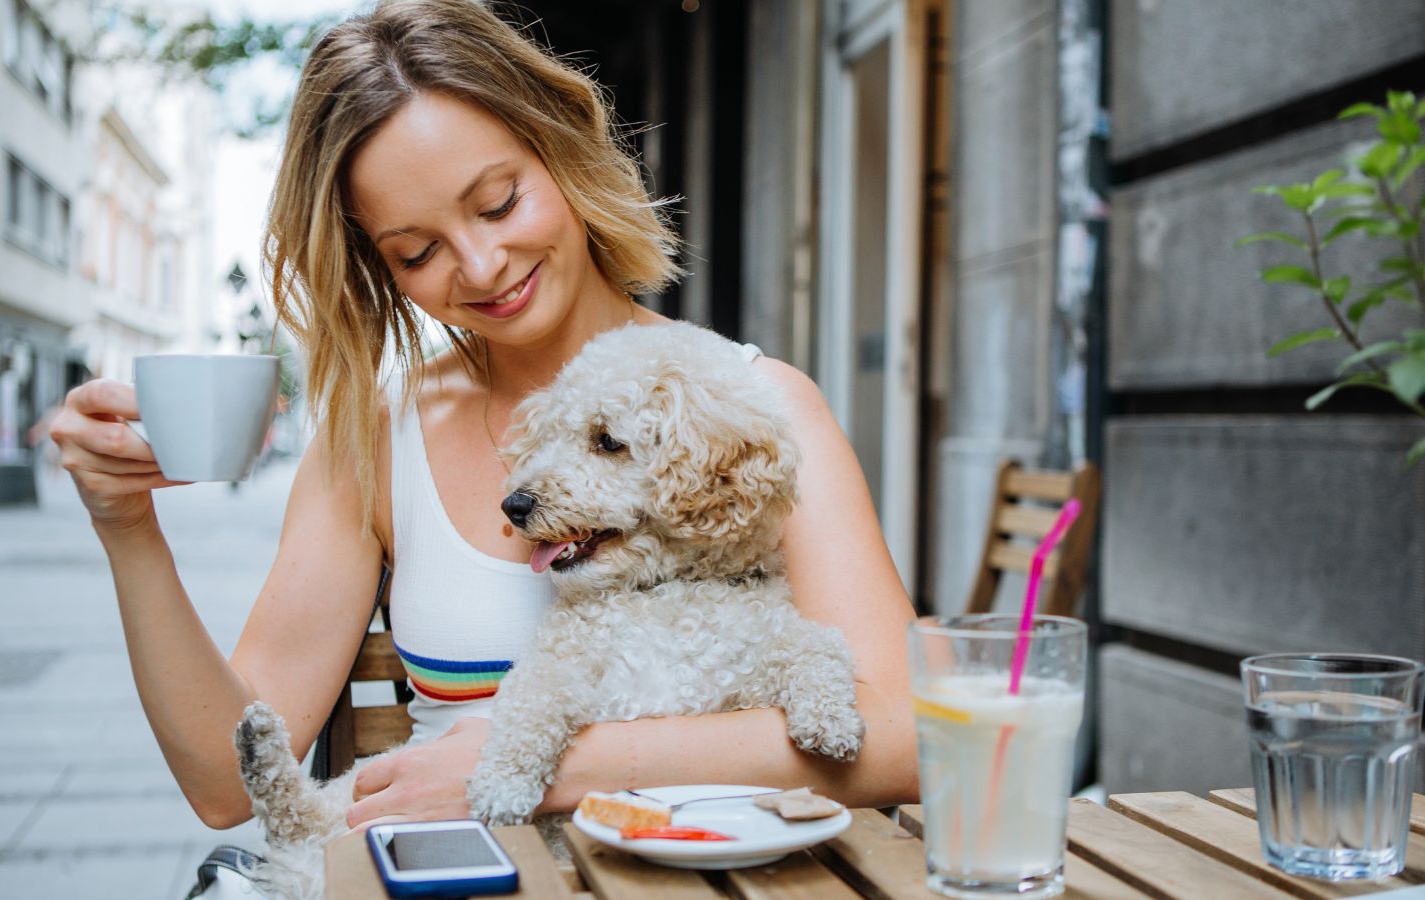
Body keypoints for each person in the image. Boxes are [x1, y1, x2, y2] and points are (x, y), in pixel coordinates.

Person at [50, 0, 918, 834]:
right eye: (416, 252)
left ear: (562, 148)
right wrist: (128, 527)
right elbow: (225, 785)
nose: (481, 264)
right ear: (380, 270)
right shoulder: (374, 436)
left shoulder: (759, 406)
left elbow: (905, 739)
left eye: (499, 201)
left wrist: (548, 765)